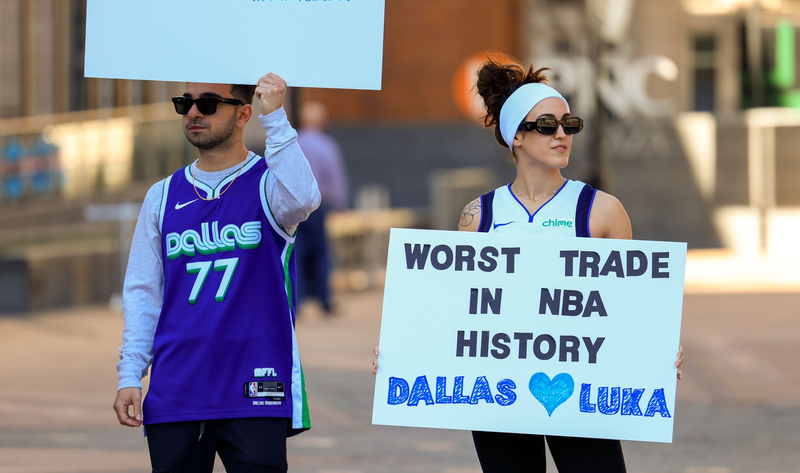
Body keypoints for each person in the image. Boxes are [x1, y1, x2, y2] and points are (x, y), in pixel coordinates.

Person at [372, 57, 684, 472]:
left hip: (579, 389)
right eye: (547, 125)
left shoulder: (602, 211)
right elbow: (457, 307)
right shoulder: (478, 215)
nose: (562, 134)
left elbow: (628, 305)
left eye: (569, 125)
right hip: (499, 391)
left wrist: (656, 348)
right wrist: (404, 349)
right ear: (516, 136)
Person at [113, 73, 320, 473]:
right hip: (177, 389)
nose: (193, 111)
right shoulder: (161, 195)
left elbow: (305, 197)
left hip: (256, 385)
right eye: (184, 102)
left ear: (243, 114)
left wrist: (275, 117)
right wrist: (129, 374)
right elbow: (143, 294)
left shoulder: (269, 186)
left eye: (208, 103)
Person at [295, 100, 349, 314]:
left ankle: (296, 303)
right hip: (318, 204)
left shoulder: (293, 143)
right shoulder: (326, 145)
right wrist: (341, 204)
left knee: (295, 253)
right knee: (321, 252)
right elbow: (335, 177)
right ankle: (325, 301)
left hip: (294, 204)